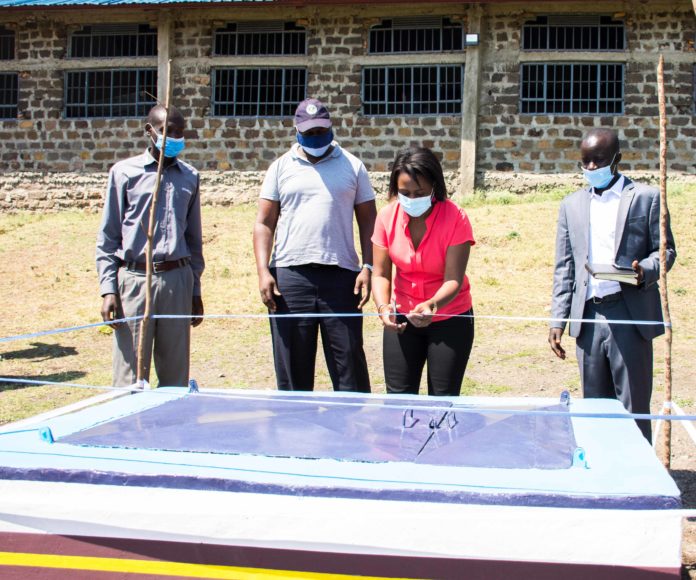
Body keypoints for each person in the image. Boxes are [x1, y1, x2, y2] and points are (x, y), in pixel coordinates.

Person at [548, 128, 676, 441]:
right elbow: (565, 266)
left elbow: (666, 250)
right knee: (594, 408)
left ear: (617, 159)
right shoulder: (572, 205)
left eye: (599, 161)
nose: (591, 168)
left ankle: (638, 480)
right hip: (589, 316)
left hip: (629, 314)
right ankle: (601, 478)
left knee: (633, 406)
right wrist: (558, 319)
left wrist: (645, 270)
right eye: (585, 162)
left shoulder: (646, 198)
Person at [253, 98, 376, 392]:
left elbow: (370, 221)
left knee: (349, 367)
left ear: (331, 127)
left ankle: (353, 430)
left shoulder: (353, 166)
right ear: (296, 130)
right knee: (293, 370)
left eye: (321, 130)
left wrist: (368, 266)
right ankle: (294, 433)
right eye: (309, 132)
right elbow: (264, 223)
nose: (315, 137)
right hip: (290, 278)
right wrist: (262, 271)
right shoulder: (280, 167)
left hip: (342, 277)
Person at [96, 104, 205, 388]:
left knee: (174, 374)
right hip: (134, 279)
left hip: (176, 280)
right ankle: (129, 431)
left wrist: (194, 289)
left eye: (180, 132)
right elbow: (108, 236)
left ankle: (170, 430)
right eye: (167, 131)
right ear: (149, 131)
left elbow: (193, 241)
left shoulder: (189, 177)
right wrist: (108, 289)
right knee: (130, 374)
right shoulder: (124, 173)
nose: (174, 138)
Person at [371, 147, 475, 396]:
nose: (411, 199)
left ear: (434, 188)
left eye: (420, 193)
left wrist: (432, 304)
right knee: (398, 398)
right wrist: (384, 308)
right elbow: (381, 274)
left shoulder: (455, 217)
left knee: (442, 400)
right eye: (404, 193)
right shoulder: (386, 216)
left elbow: (454, 279)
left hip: (450, 318)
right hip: (402, 319)